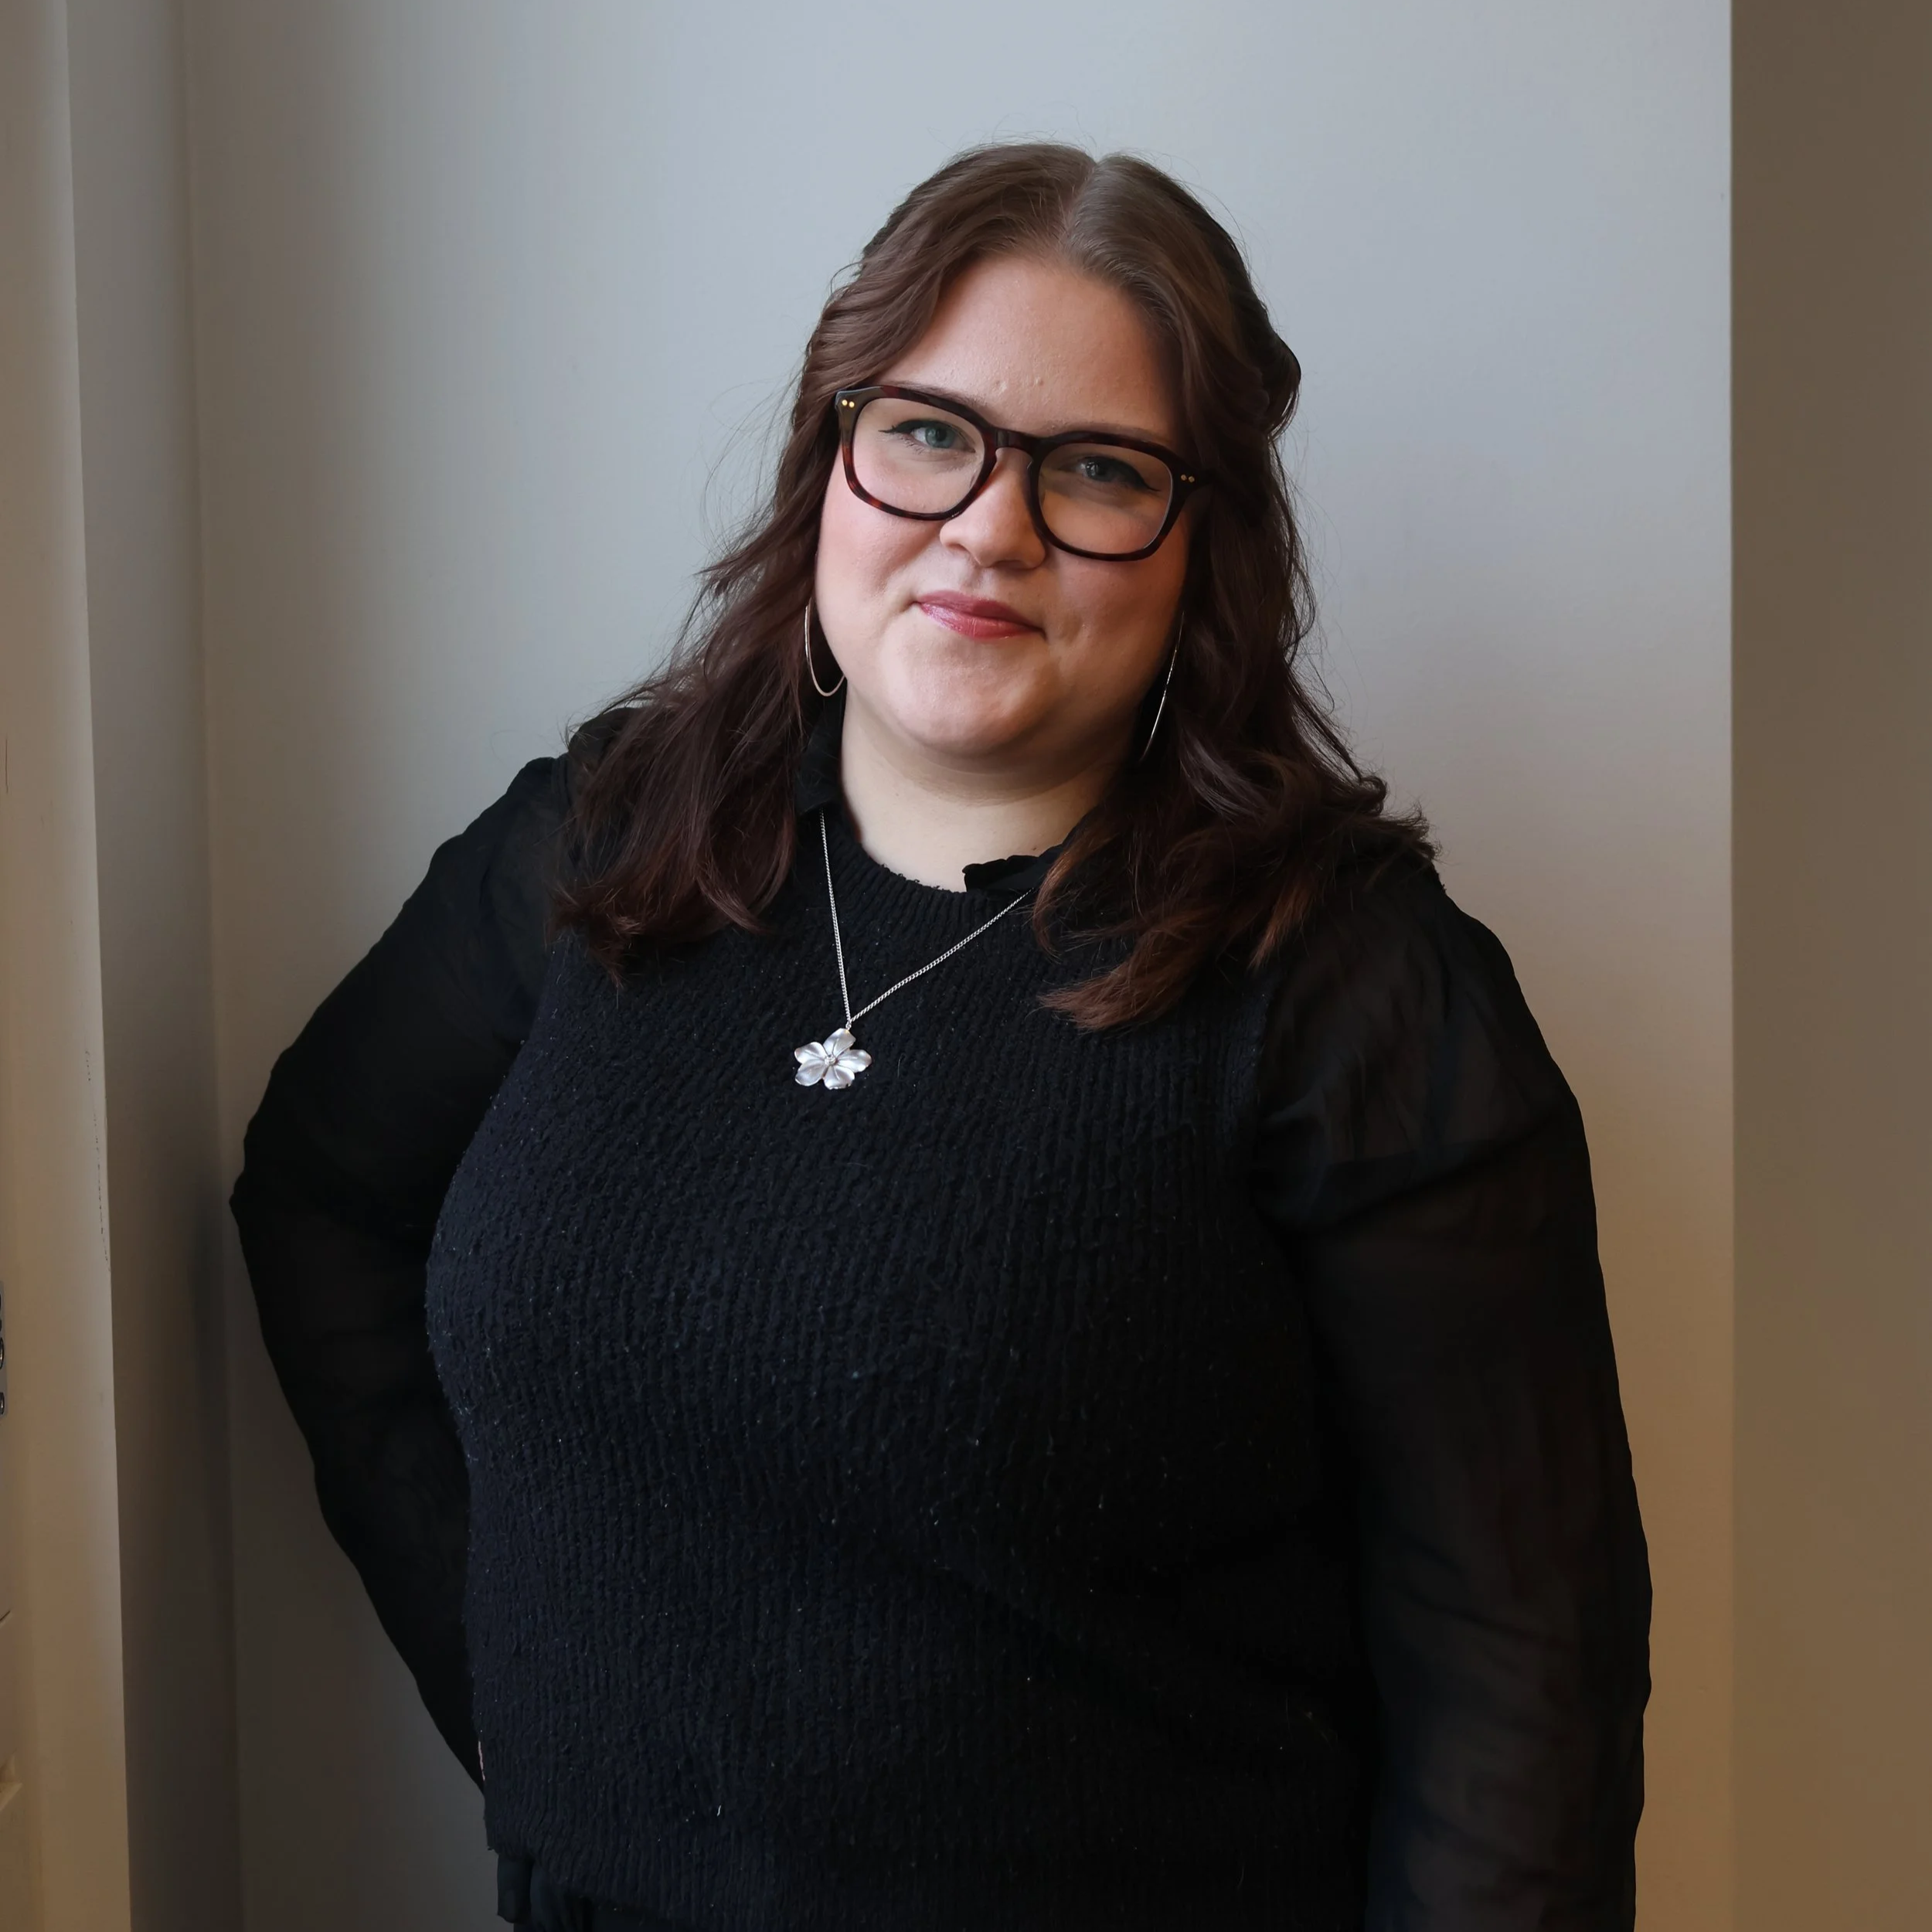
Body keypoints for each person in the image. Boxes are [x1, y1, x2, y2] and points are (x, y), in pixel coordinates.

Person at [232, 142, 1650, 1930]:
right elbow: (324, 1197)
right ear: (827, 456)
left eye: (1098, 469)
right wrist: (507, 1689)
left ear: (1203, 546)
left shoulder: (1343, 983)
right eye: (926, 433)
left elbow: (1517, 1665)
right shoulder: (601, 848)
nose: (988, 526)